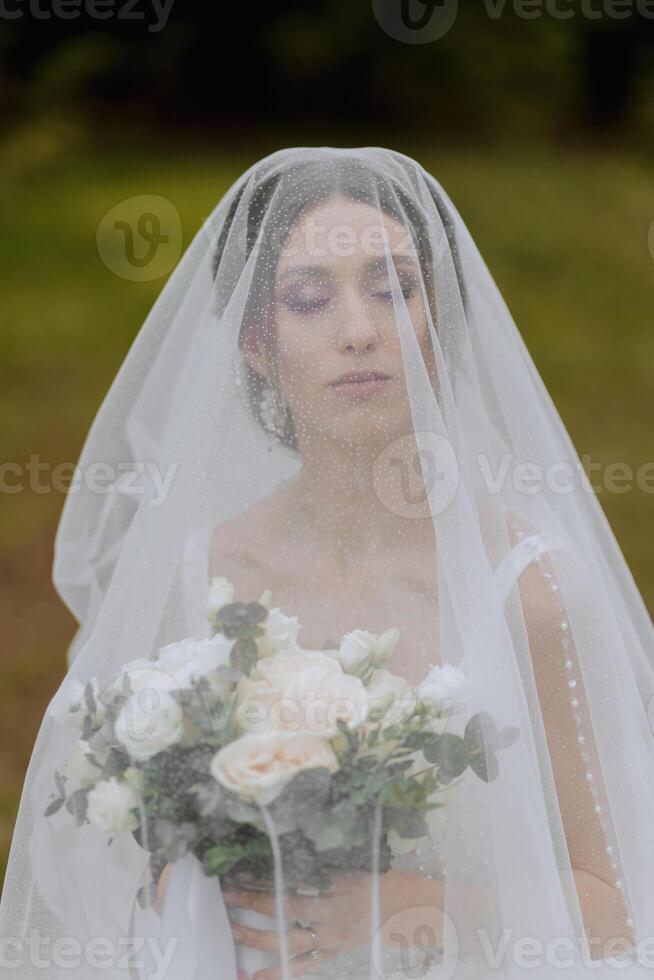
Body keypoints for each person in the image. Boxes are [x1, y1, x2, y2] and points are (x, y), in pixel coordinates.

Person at [2, 147, 653, 980]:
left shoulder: (531, 590)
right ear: (257, 346)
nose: (360, 331)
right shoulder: (202, 574)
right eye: (310, 299)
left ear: (436, 320)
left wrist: (409, 906)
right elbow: (134, 865)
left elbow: (622, 905)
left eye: (395, 289)